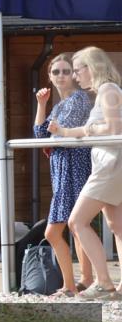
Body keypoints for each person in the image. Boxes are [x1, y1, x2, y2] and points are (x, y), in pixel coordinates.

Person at [51, 47, 122, 301]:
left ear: (92, 68)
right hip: (110, 165)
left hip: (110, 165)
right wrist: (64, 132)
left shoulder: (108, 91)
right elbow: (89, 129)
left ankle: (103, 282)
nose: (75, 76)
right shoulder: (106, 92)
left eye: (77, 69)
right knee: (117, 225)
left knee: (77, 222)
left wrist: (89, 129)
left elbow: (113, 128)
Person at [33, 53, 94, 297]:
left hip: (74, 167)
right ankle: (81, 282)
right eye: (56, 72)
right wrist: (41, 105)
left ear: (74, 76)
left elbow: (57, 137)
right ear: (49, 76)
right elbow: (40, 136)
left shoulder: (78, 99)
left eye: (66, 71)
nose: (61, 76)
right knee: (77, 227)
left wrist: (54, 137)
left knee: (57, 231)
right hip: (60, 170)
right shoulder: (58, 105)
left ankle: (76, 284)